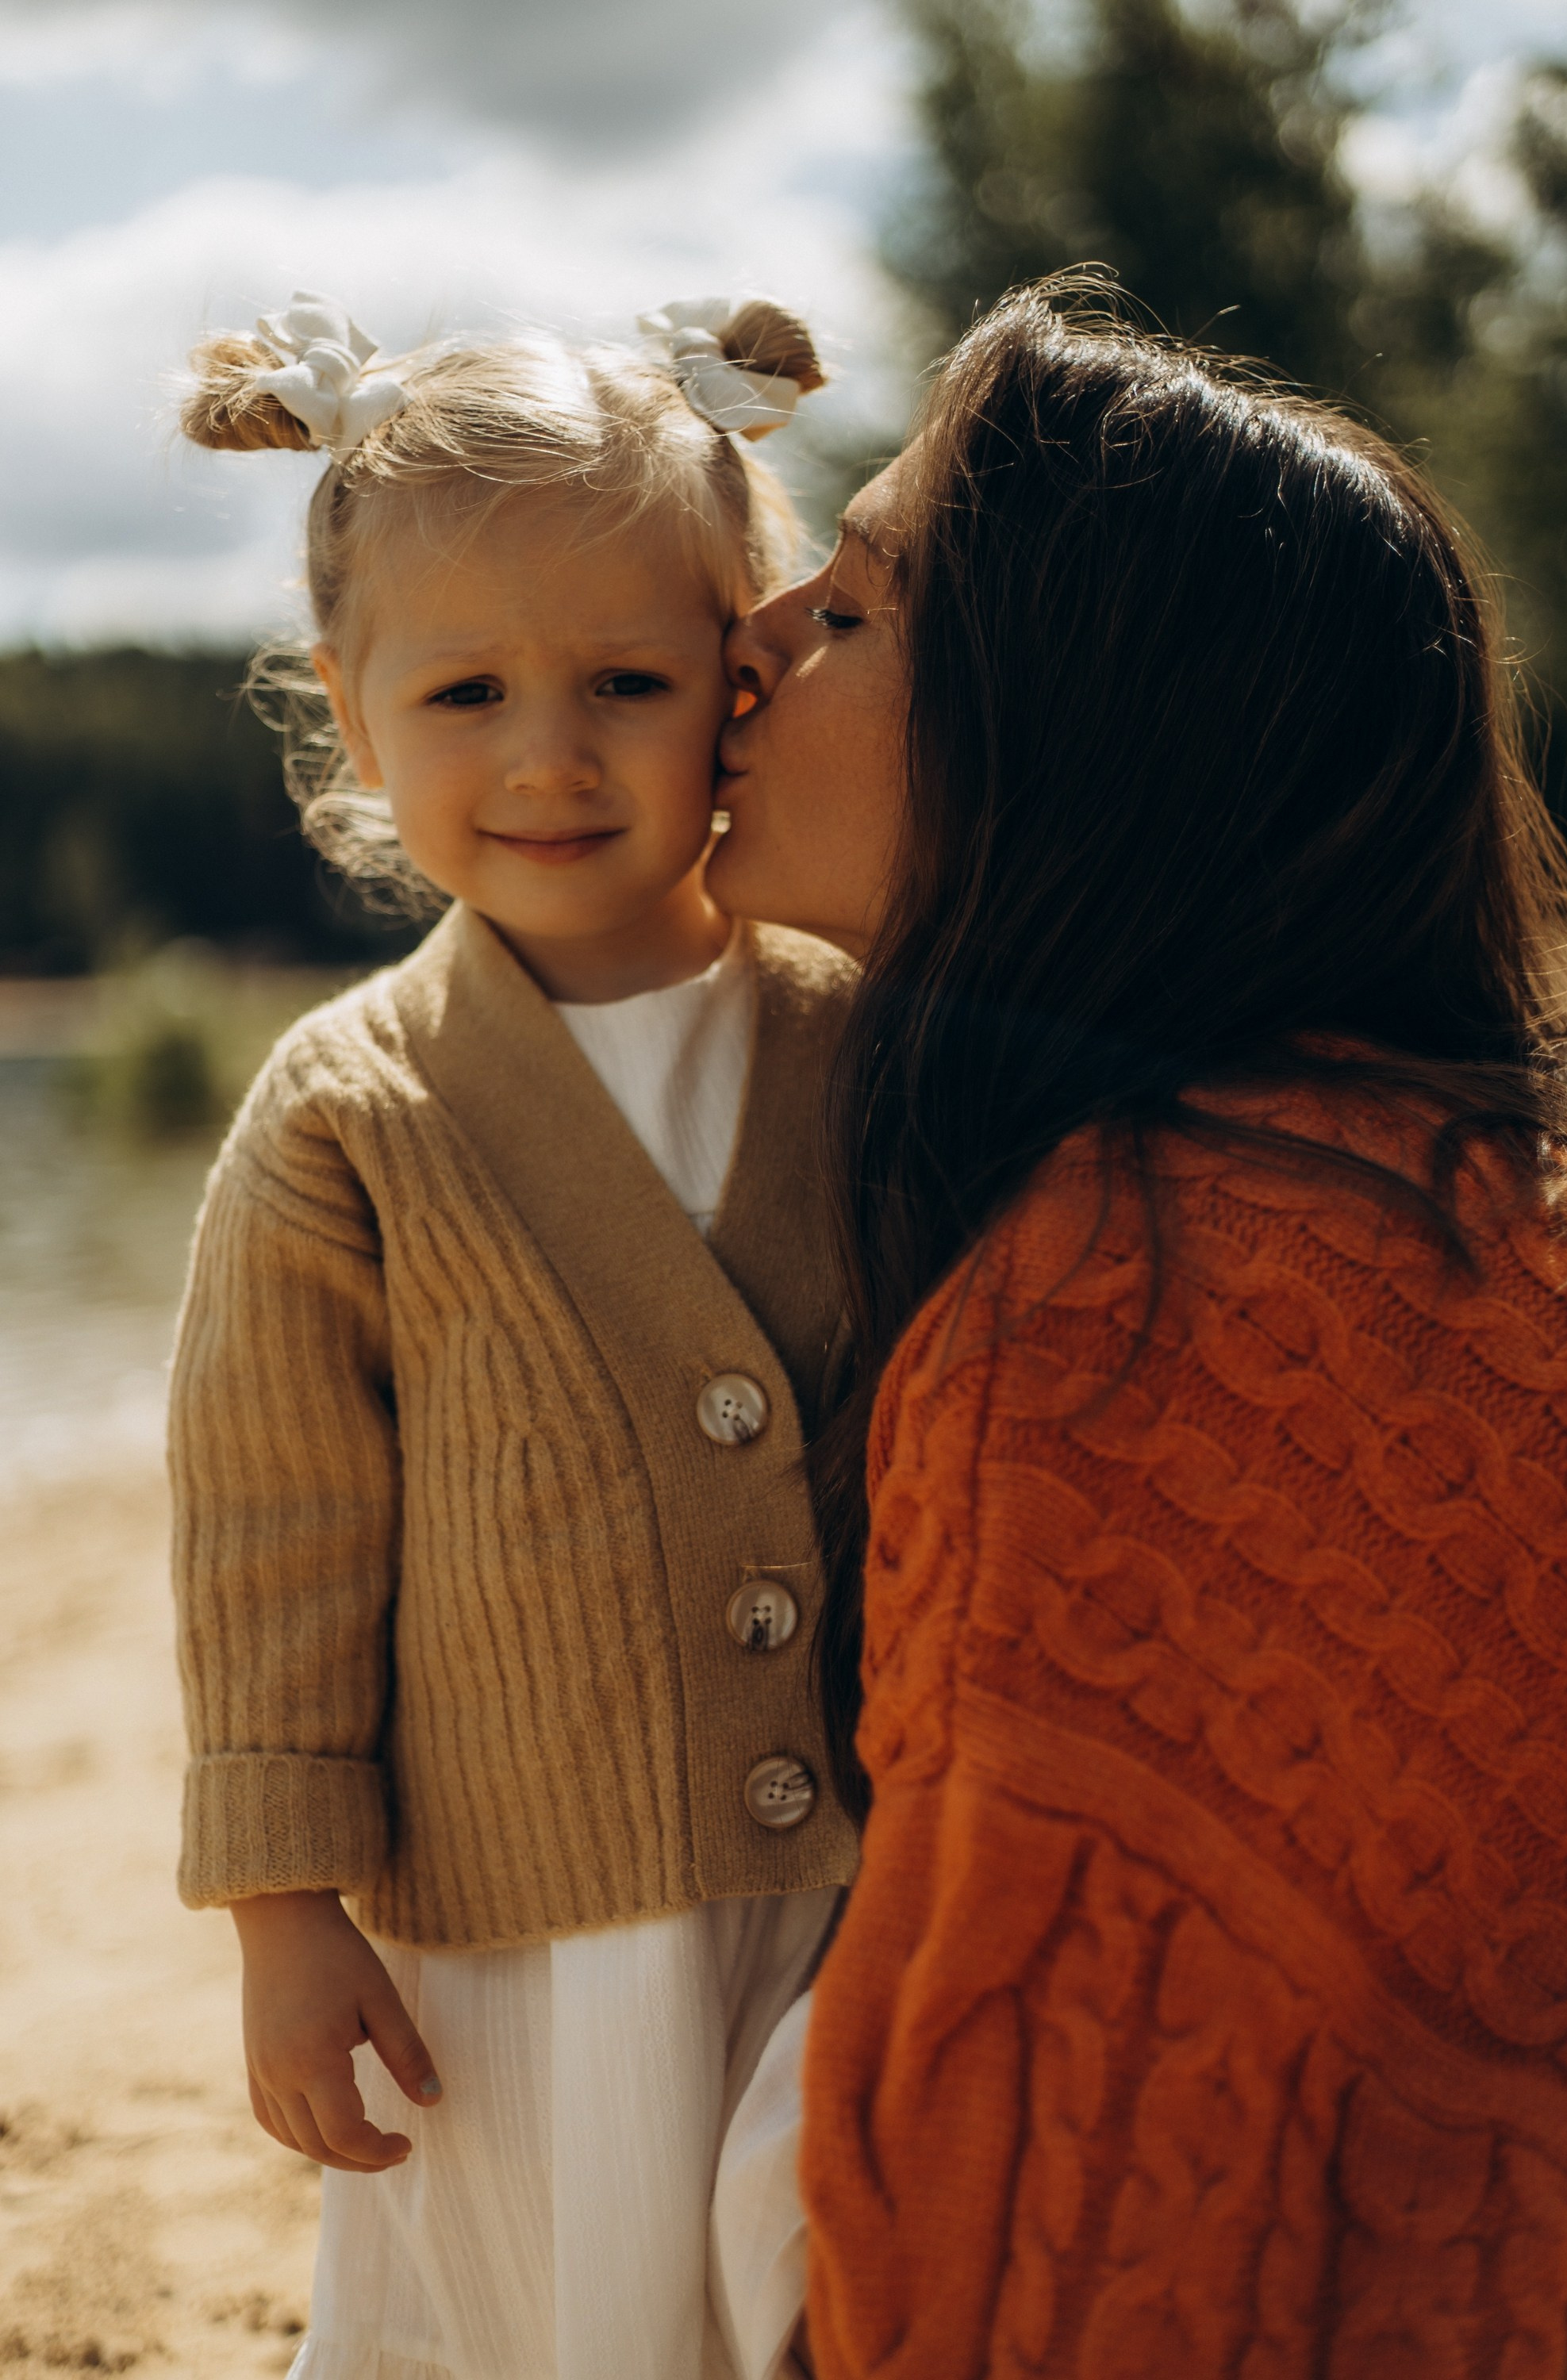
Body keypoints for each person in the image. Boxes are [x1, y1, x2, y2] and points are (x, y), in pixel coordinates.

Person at [707, 278, 1567, 2375]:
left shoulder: (1132, 1310)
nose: (752, 638)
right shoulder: (1452, 1196)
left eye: (856, 605)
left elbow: (1066, 2223)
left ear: (1079, 752)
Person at [167, 289, 857, 2380]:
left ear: (738, 682)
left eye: (627, 680)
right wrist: (289, 1925)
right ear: (351, 717)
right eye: (464, 691)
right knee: (536, 2311)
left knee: (803, 2287)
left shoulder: (852, 1036)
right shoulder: (350, 1112)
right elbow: (277, 1534)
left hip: (850, 1873)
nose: (551, 755)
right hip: (512, 1927)